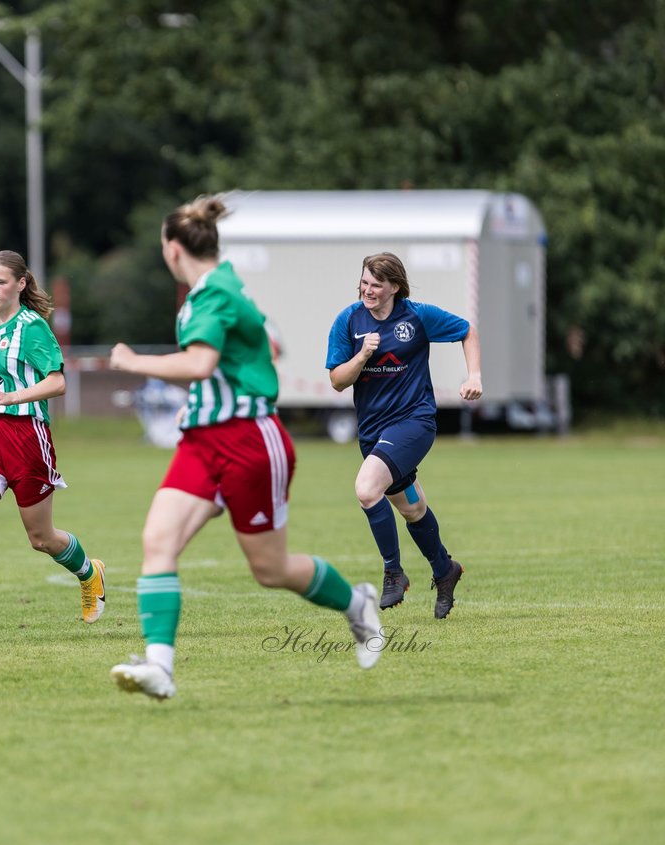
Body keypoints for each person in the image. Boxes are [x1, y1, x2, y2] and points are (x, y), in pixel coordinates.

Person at [108, 197, 384, 701]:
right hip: (201, 441)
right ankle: (159, 668)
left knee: (270, 570)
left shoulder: (211, 293)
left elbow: (197, 364)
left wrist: (132, 360)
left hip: (248, 440)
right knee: (158, 543)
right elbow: (272, 340)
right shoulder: (229, 286)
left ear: (172, 251)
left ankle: (357, 603)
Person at [0, 250, 105, 637]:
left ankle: (89, 572)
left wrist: (13, 397)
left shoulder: (33, 327)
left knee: (41, 538)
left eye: (0, 282)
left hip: (28, 435)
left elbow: (57, 382)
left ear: (20, 284)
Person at [325, 251, 481, 619]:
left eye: (377, 285)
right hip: (373, 433)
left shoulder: (417, 316)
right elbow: (336, 381)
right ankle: (445, 570)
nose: (368, 290)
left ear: (395, 286)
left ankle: (393, 571)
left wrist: (473, 376)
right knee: (412, 508)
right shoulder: (348, 321)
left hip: (415, 423)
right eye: (364, 282)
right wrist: (362, 356)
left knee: (366, 489)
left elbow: (467, 331)